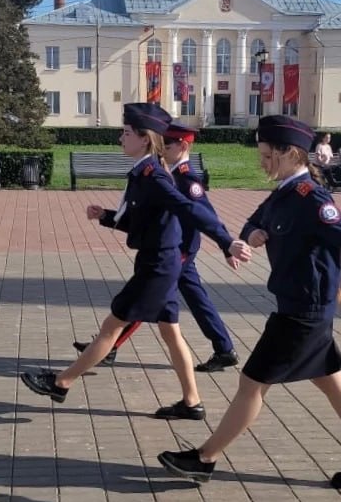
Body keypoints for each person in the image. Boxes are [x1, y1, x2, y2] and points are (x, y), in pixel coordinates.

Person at [157, 115, 341, 489]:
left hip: (304, 311)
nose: (262, 163)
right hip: (299, 306)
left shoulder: (311, 199)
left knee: (252, 383)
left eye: (267, 155)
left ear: (290, 153)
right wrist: (253, 234)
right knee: (330, 381)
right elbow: (253, 221)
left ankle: (204, 458)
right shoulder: (284, 193)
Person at [20, 103, 252, 420]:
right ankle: (192, 403)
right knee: (171, 334)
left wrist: (226, 242)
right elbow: (141, 223)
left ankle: (61, 383)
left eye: (127, 133)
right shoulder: (144, 172)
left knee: (112, 326)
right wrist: (105, 216)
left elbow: (190, 209)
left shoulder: (154, 176)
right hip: (159, 262)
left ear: (144, 139)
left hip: (158, 266)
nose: (121, 138)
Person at [72, 121, 241, 372]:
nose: (162, 149)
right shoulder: (165, 173)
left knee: (146, 295)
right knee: (191, 300)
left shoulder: (186, 179)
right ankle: (224, 349)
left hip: (178, 249)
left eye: (167, 145)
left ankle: (109, 345)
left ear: (183, 146)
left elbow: (205, 214)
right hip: (173, 248)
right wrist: (106, 216)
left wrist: (227, 246)